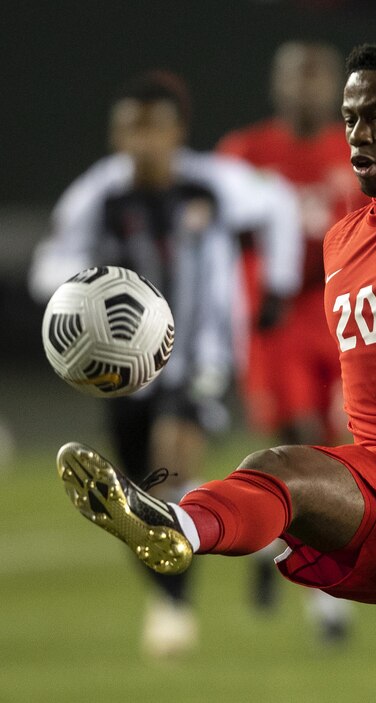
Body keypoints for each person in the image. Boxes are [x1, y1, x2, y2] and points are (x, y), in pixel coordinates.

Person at [56, 41, 376, 702]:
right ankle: (177, 525)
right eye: (351, 118)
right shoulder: (344, 236)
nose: (359, 133)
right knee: (278, 463)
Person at [30, 70, 302, 659]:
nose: (141, 141)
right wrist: (79, 291)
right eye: (129, 128)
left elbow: (279, 202)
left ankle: (173, 607)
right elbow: (49, 261)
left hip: (198, 357)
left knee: (167, 476)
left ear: (177, 131)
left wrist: (277, 287)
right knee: (130, 495)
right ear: (115, 135)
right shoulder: (98, 193)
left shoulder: (215, 184)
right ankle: (254, 531)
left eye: (152, 127)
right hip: (119, 373)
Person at [217, 40, 365, 640]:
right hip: (279, 315)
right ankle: (326, 595)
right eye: (295, 78)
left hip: (345, 305)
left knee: (338, 443)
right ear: (278, 86)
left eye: (316, 77)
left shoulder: (355, 148)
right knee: (300, 442)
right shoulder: (245, 153)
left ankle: (272, 550)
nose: (305, 89)